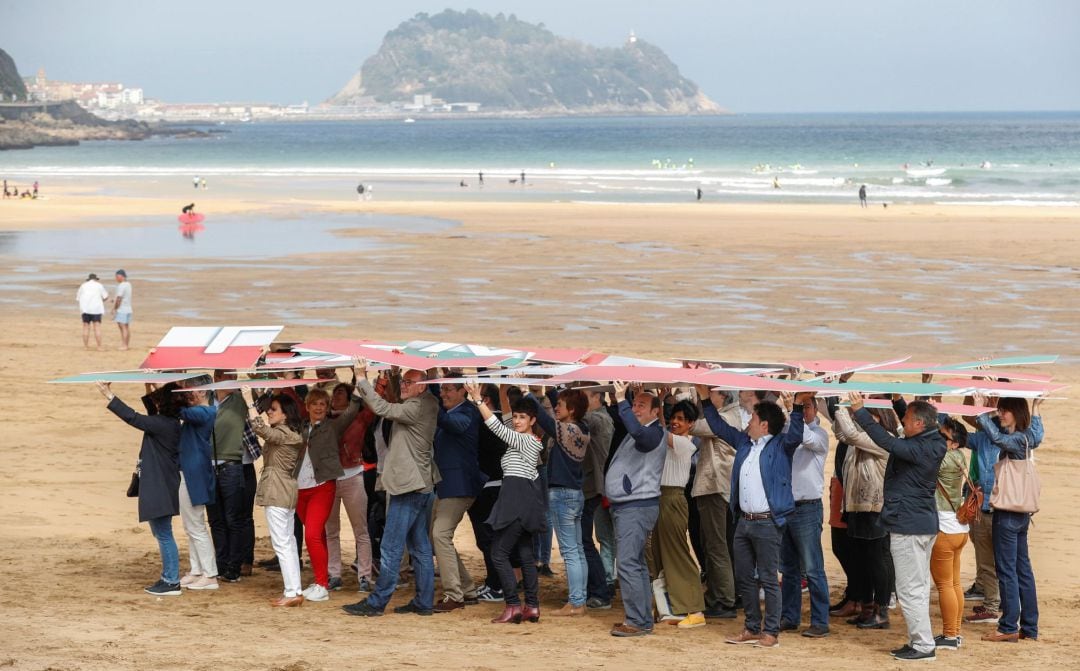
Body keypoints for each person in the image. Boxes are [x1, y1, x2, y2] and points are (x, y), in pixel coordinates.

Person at [848, 392, 947, 662]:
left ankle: (924, 645)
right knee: (919, 586)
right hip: (921, 523)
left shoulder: (917, 448)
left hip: (909, 526)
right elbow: (910, 424)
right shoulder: (933, 439)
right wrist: (897, 401)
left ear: (919, 425)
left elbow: (886, 441)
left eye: (906, 418)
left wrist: (860, 412)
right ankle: (920, 640)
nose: (903, 422)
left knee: (909, 589)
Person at [705, 391, 805, 649]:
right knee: (745, 578)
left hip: (767, 523)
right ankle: (751, 627)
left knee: (769, 579)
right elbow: (717, 426)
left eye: (753, 418)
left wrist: (797, 406)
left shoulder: (781, 445)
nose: (748, 421)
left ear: (764, 425)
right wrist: (704, 398)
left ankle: (770, 632)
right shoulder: (745, 443)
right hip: (744, 522)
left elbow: (795, 434)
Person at [343, 361, 440, 618]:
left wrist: (362, 378)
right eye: (405, 381)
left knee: (391, 546)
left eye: (410, 382)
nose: (405, 386)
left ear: (422, 386)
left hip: (408, 485)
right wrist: (397, 376)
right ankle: (424, 601)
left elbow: (382, 407)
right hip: (419, 483)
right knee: (418, 546)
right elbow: (400, 398)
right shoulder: (425, 401)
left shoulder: (416, 407)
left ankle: (377, 602)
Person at [464, 382, 545, 624]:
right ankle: (531, 605)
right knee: (525, 554)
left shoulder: (525, 441)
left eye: (523, 417)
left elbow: (498, 427)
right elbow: (506, 419)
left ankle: (512, 605)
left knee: (499, 554)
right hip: (524, 500)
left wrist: (478, 400)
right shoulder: (525, 439)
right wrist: (508, 388)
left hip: (515, 500)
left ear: (532, 420)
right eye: (517, 416)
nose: (517, 421)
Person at [96, 381, 183, 596]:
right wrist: (149, 385)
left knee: (164, 534)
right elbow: (151, 411)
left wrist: (109, 395)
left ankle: (171, 580)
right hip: (162, 483)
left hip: (160, 485)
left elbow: (133, 417)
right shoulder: (168, 422)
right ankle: (169, 578)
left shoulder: (162, 424)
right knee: (162, 532)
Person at [973, 395, 1044, 643]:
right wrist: (1036, 409)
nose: (1000, 415)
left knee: (1008, 572)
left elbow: (997, 438)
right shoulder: (1029, 438)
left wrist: (982, 411)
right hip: (1022, 514)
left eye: (1004, 411)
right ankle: (1029, 627)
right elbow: (1038, 431)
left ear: (1015, 413)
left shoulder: (1015, 440)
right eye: (999, 411)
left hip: (1007, 514)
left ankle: (1008, 627)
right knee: (1023, 570)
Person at [605, 381, 667, 637]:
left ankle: (638, 621)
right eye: (634, 404)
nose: (636, 409)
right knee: (636, 564)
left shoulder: (651, 433)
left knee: (629, 563)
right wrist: (625, 398)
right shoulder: (645, 429)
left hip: (636, 506)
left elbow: (638, 435)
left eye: (642, 405)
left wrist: (621, 400)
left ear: (655, 412)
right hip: (631, 505)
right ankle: (641, 617)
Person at [294, 373, 362, 603]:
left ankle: (322, 585)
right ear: (308, 406)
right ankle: (319, 580)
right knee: (318, 536)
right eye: (315, 403)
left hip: (322, 487)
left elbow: (353, 410)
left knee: (312, 535)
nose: (319, 407)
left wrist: (360, 380)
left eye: (323, 403)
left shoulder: (333, 426)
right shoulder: (301, 427)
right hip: (300, 489)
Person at [528, 388, 590, 616]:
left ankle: (575, 602)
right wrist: (553, 388)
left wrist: (528, 392)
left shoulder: (566, 429)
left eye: (561, 405)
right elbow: (553, 410)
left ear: (571, 410)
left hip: (562, 494)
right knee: (578, 550)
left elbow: (542, 417)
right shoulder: (582, 429)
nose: (556, 407)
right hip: (575, 493)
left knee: (570, 551)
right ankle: (579, 599)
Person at [649, 399, 707, 629]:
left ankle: (694, 609)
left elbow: (659, 432)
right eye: (674, 417)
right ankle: (671, 609)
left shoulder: (686, 444)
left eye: (681, 419)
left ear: (691, 424)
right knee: (661, 554)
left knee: (678, 554)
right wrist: (662, 406)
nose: (675, 422)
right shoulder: (676, 440)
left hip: (672, 499)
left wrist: (653, 412)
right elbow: (662, 429)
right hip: (662, 498)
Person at [778, 392, 831, 638]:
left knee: (813, 568)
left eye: (807, 406)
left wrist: (793, 411)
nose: (803, 410)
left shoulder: (819, 434)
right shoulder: (791, 426)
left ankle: (820, 621)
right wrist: (793, 411)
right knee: (789, 568)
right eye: (802, 407)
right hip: (788, 505)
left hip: (807, 507)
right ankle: (790, 616)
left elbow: (801, 435)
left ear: (816, 409)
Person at [246, 388, 306, 605]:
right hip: (284, 489)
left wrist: (249, 403)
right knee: (287, 542)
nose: (269, 412)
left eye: (273, 410)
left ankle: (292, 592)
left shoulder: (285, 435)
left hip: (277, 489)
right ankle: (293, 590)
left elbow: (260, 429)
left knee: (283, 543)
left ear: (285, 414)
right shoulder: (288, 434)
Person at [431, 382, 486, 612]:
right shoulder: (457, 411)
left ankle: (454, 595)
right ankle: (467, 589)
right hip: (447, 485)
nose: (443, 394)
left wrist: (432, 403)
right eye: (441, 389)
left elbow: (451, 423)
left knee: (439, 534)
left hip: (460, 485)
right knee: (438, 537)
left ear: (463, 391)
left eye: (448, 390)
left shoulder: (468, 412)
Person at [688, 386, 742, 620]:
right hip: (724, 488)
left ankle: (723, 599)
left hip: (715, 487)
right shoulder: (735, 415)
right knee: (725, 545)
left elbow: (693, 426)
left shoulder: (725, 418)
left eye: (712, 393)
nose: (709, 397)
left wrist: (696, 397)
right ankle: (731, 593)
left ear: (723, 396)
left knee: (715, 545)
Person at [327, 382, 376, 593]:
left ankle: (364, 575)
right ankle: (334, 574)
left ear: (349, 398)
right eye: (334, 393)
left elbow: (374, 407)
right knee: (331, 530)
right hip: (330, 479)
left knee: (361, 530)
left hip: (353, 475)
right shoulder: (325, 418)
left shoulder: (359, 417)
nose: (335, 396)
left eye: (340, 393)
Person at [931, 417, 971, 650]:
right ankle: (954, 633)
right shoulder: (958, 457)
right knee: (954, 583)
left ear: (954, 443)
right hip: (958, 529)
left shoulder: (943, 459)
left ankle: (949, 635)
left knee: (945, 585)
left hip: (945, 528)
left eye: (942, 436)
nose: (937, 438)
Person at [207, 370, 250, 583]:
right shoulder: (204, 397)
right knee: (216, 519)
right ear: (217, 378)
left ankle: (234, 567)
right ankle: (221, 564)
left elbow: (262, 388)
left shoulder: (241, 398)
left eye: (235, 376)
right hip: (208, 467)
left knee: (234, 519)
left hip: (231, 465)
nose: (234, 380)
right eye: (228, 376)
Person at [176, 385, 219, 591]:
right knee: (191, 526)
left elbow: (177, 409)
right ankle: (197, 570)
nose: (186, 396)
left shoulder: (206, 411)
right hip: (189, 472)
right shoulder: (200, 412)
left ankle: (210, 574)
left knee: (197, 526)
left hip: (195, 475)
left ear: (202, 392)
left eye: (190, 392)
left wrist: (162, 386)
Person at [581, 389, 614, 610]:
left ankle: (605, 584)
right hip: (603, 486)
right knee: (604, 537)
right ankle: (605, 582)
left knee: (604, 537)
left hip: (601, 487)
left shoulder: (597, 419)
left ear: (596, 397)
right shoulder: (601, 418)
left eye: (583, 395)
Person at [76, 273, 109, 350]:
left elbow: (78, 297)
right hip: (96, 309)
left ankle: (85, 346)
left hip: (85, 309)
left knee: (86, 327)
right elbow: (106, 296)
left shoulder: (83, 285)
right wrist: (101, 301)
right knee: (97, 327)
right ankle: (99, 346)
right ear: (95, 279)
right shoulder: (99, 285)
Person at [111, 269, 132, 350]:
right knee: (126, 327)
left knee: (122, 327)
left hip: (122, 309)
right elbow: (121, 297)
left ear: (121, 276)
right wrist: (114, 299)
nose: (116, 278)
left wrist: (115, 308)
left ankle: (124, 345)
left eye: (117, 277)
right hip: (128, 308)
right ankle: (126, 344)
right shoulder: (128, 284)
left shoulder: (122, 285)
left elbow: (119, 298)